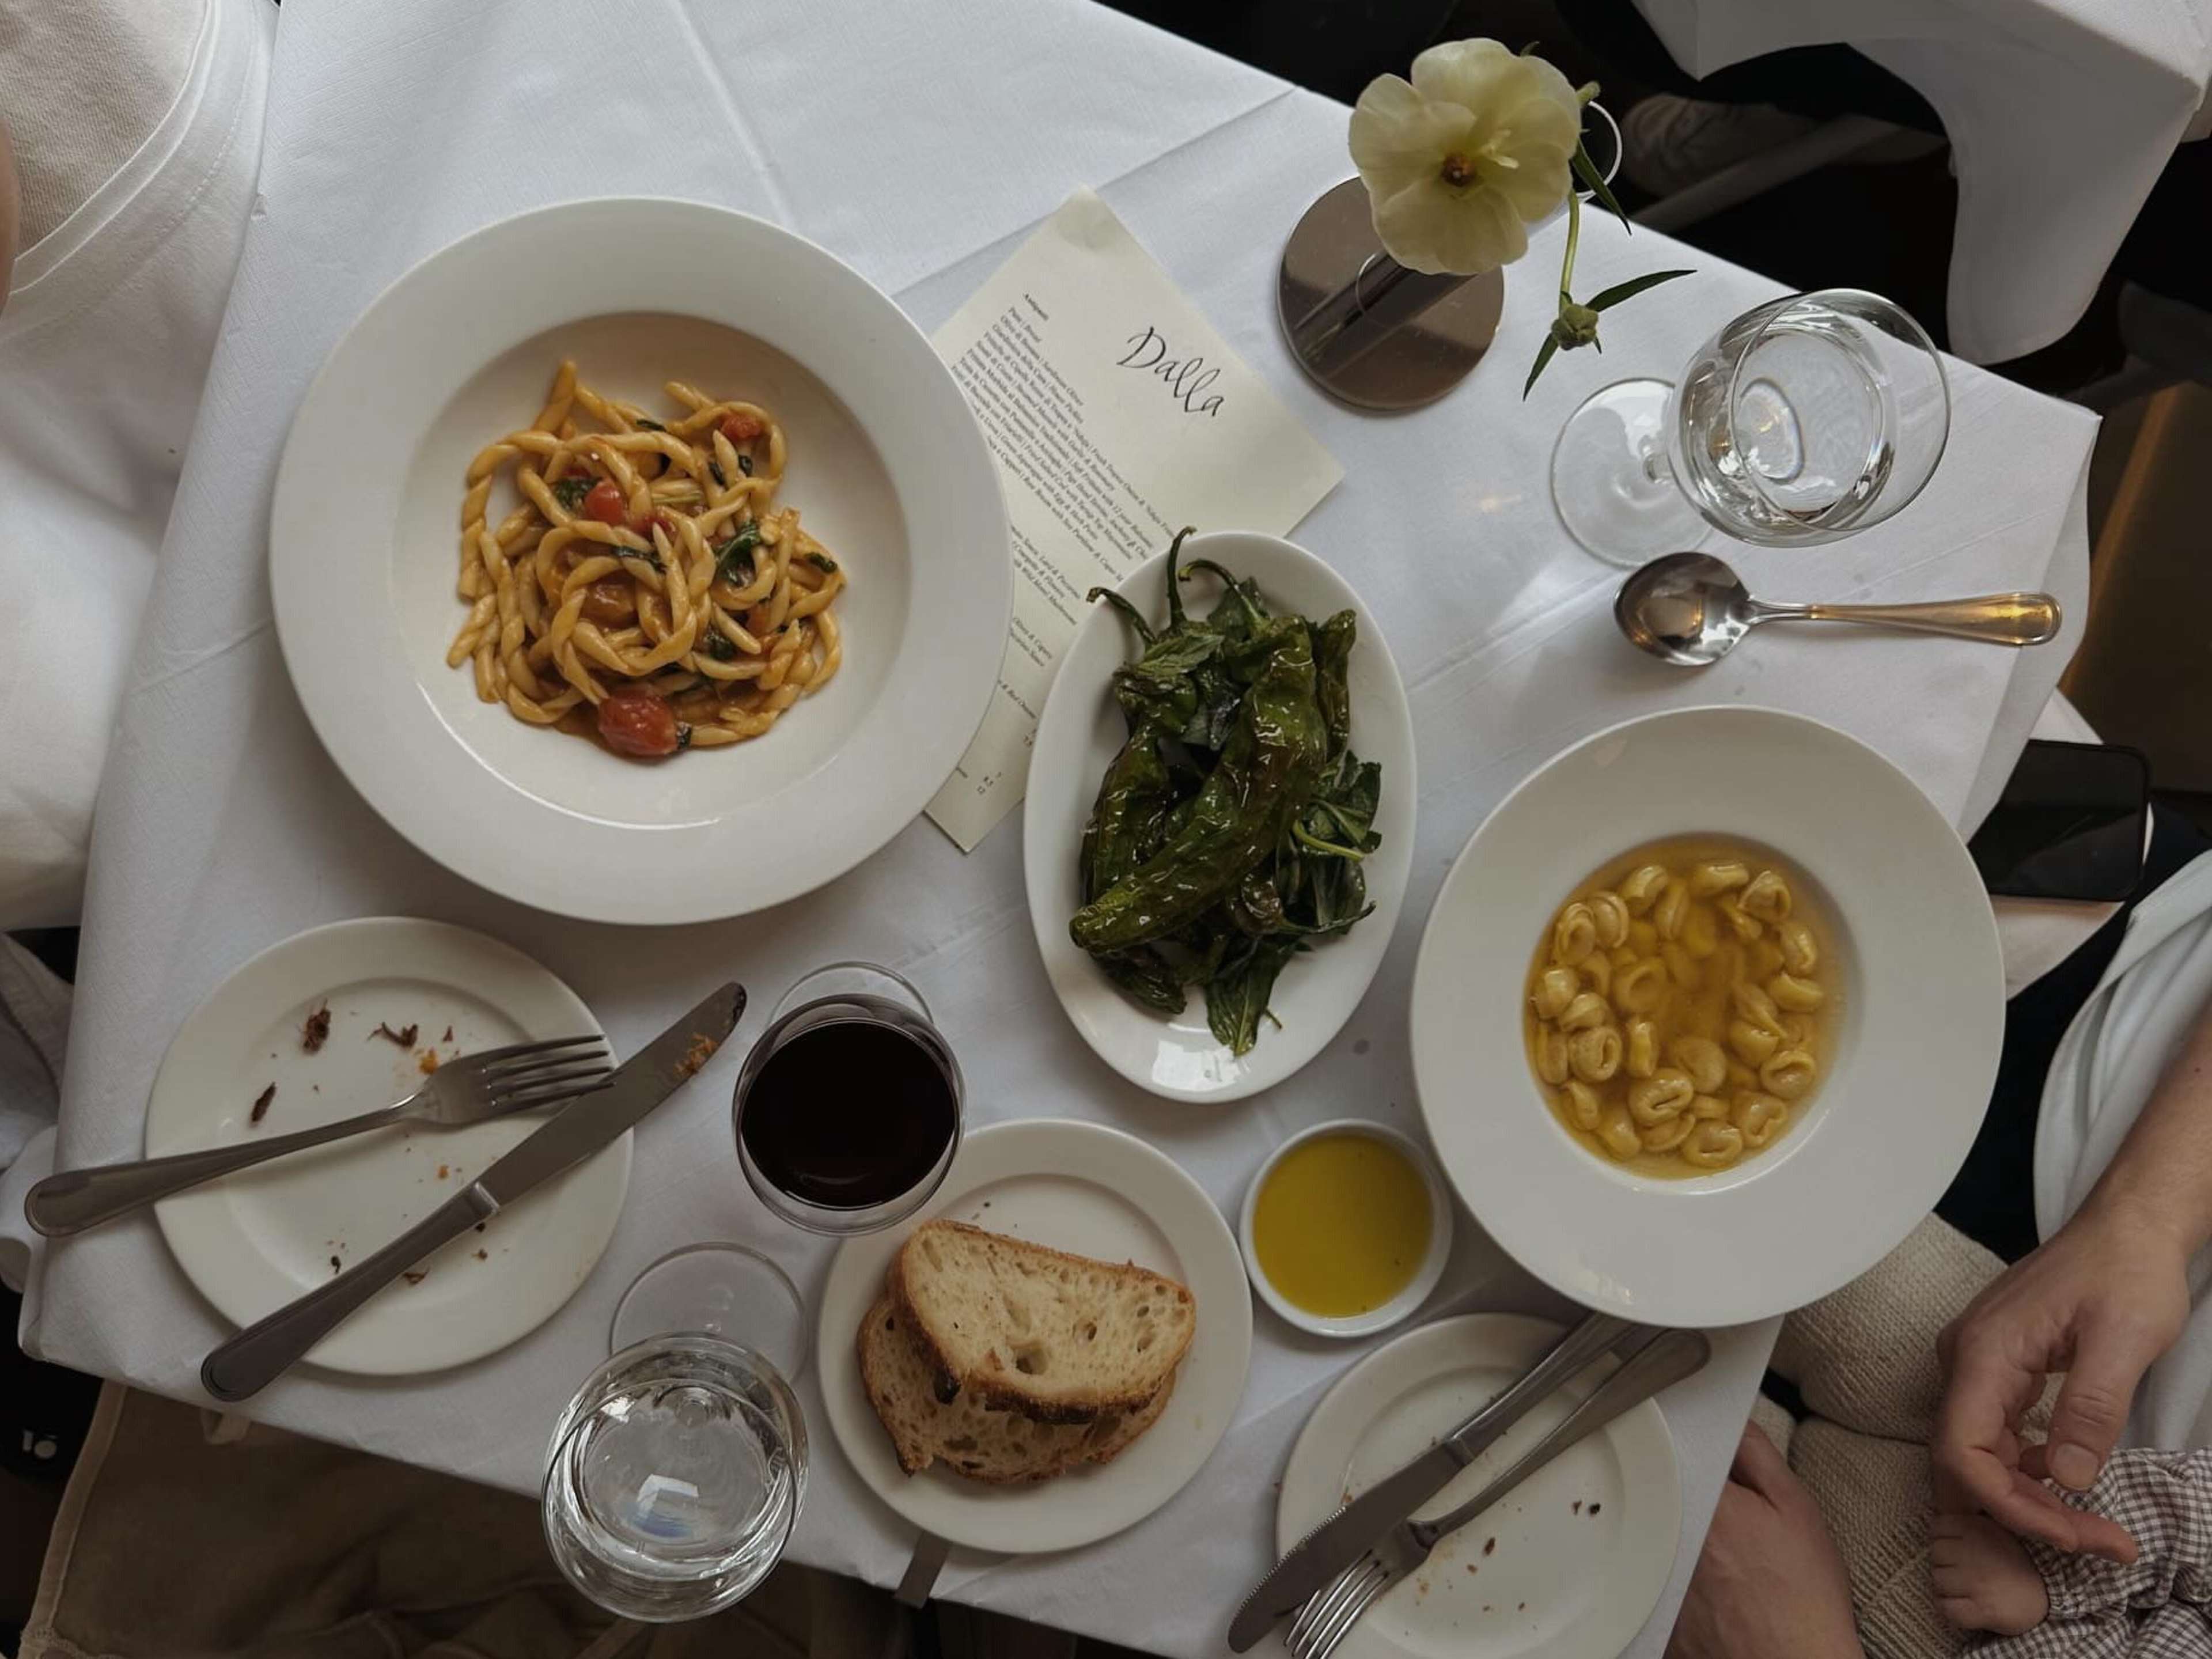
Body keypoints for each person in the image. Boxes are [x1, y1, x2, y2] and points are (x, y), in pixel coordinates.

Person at [1668, 808, 2212, 1657]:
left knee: (1612, 1470)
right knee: (1712, 1187)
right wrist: (2143, 1220)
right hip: (2058, 1392)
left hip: (1921, 1626)